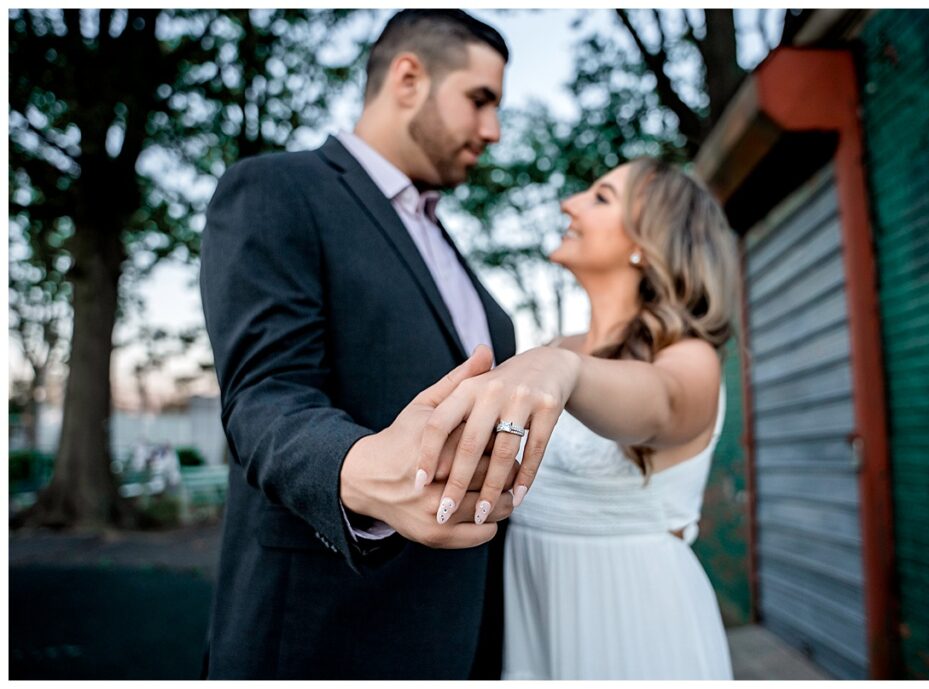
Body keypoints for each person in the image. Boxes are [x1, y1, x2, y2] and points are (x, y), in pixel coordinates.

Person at [198, 10, 557, 679]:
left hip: (466, 639)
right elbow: (263, 394)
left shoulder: (450, 248)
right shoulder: (278, 189)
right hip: (325, 640)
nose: (493, 131)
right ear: (409, 77)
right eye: (481, 100)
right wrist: (363, 465)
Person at [414, 158, 739, 679]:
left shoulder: (687, 358)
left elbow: (661, 403)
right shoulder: (547, 351)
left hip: (637, 626)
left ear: (646, 242)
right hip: (529, 618)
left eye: (601, 197)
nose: (570, 202)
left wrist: (564, 369)